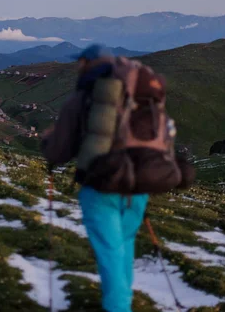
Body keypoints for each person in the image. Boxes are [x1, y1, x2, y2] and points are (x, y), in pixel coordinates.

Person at [40, 44, 151, 312]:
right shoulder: (138, 95)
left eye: (80, 62)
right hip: (137, 187)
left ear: (87, 63)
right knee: (124, 246)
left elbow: (59, 150)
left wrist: (46, 142)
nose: (78, 67)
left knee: (110, 253)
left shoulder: (81, 99)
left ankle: (118, 307)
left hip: (100, 188)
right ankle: (122, 301)